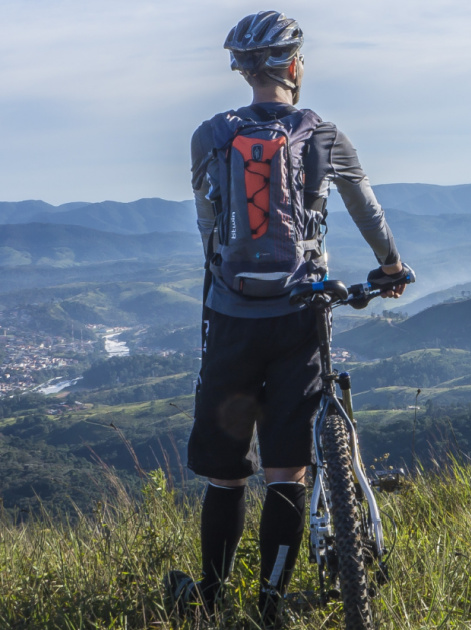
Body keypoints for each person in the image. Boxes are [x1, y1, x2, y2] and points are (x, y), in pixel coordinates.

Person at [166, 10, 413, 627]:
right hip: (300, 315)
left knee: (225, 478)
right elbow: (367, 210)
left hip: (230, 317)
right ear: (295, 66)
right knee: (287, 470)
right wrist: (390, 266)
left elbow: (207, 228)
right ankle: (270, 605)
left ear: (242, 70)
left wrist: (227, 284)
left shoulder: (208, 136)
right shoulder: (324, 134)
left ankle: (212, 600)